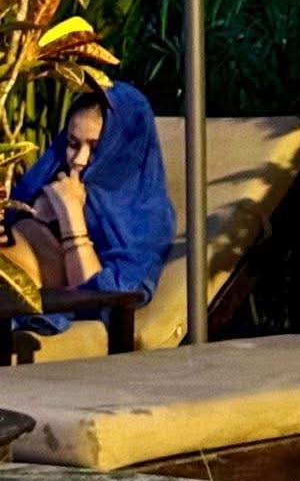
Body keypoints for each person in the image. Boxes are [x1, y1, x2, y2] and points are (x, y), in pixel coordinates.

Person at [4, 81, 176, 339]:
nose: (79, 160)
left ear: (122, 150)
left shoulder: (146, 218)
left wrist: (71, 214)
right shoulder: (47, 177)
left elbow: (103, 300)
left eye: (95, 148)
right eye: (73, 144)